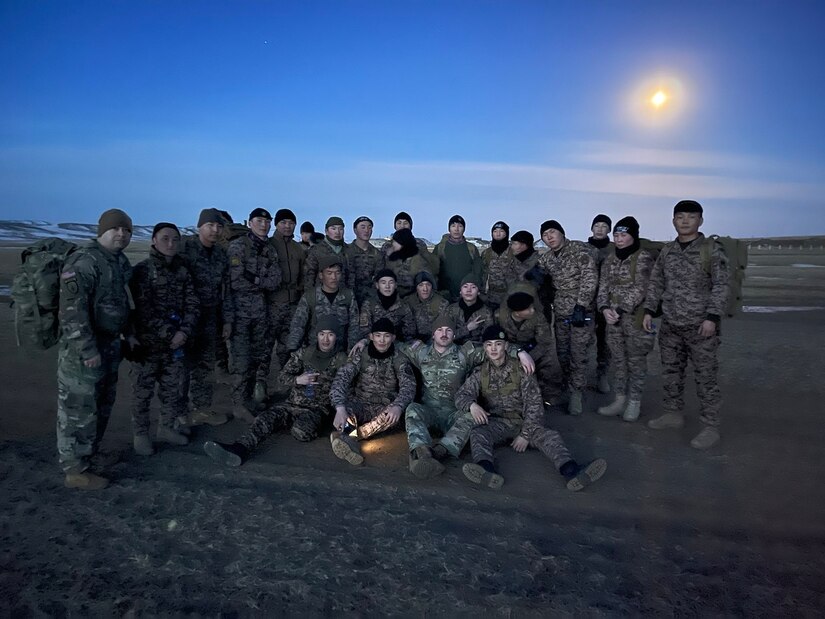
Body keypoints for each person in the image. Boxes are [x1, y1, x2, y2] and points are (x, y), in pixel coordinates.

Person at [456, 325, 607, 491]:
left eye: (498, 344)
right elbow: (461, 395)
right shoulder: (480, 372)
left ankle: (571, 471)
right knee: (478, 433)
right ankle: (486, 470)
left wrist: (525, 435)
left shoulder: (521, 369)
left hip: (525, 421)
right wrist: (472, 405)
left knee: (550, 437)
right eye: (489, 344)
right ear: (484, 347)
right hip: (498, 422)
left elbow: (534, 404)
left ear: (506, 346)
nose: (493, 348)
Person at [398, 315, 536, 479]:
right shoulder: (419, 351)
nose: (444, 333)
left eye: (449, 330)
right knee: (412, 409)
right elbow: (390, 344)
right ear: (433, 335)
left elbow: (494, 348)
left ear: (454, 335)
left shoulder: (466, 353)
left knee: (473, 417)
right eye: (439, 330)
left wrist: (520, 352)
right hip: (429, 411)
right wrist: (364, 342)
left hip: (455, 413)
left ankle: (440, 452)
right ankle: (422, 453)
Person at [203, 317, 349, 466]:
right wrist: (297, 380)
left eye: (330, 334)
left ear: (336, 337)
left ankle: (305, 426)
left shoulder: (341, 359)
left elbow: (345, 386)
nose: (325, 339)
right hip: (291, 405)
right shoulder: (304, 354)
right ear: (316, 335)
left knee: (301, 432)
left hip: (316, 410)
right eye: (322, 334)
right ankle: (239, 448)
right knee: (265, 419)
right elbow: (281, 377)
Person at [643, 200, 730, 450]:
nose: (685, 221)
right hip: (671, 323)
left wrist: (712, 317)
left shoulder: (711, 250)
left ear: (700, 221)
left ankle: (710, 425)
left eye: (691, 217)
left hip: (701, 326)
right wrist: (649, 310)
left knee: (705, 377)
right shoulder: (668, 251)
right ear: (673, 220)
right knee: (671, 372)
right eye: (680, 217)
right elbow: (657, 282)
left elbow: (722, 285)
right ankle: (672, 413)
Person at [56, 209, 134, 489]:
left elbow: (122, 304)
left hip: (110, 345)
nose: (122, 235)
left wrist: (128, 334)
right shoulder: (84, 261)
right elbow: (72, 312)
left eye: (126, 231)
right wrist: (87, 349)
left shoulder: (118, 261)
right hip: (85, 350)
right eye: (116, 229)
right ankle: (75, 469)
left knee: (101, 404)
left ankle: (89, 456)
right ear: (102, 231)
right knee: (79, 407)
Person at [129, 223, 199, 454]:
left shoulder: (182, 272)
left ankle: (166, 427)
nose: (170, 244)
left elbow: (192, 304)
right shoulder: (142, 271)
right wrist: (171, 333)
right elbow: (142, 311)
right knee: (142, 392)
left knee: (172, 390)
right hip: (148, 345)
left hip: (175, 345)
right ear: (153, 241)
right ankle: (141, 434)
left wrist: (184, 332)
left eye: (175, 240)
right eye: (165, 239)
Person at [328, 318, 416, 465]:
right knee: (346, 412)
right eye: (378, 335)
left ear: (393, 338)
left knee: (392, 418)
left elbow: (409, 387)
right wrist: (340, 407)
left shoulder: (399, 358)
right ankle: (349, 437)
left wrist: (398, 406)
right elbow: (341, 379)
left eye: (387, 336)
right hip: (360, 403)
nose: (382, 340)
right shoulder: (360, 355)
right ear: (371, 337)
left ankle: (351, 437)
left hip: (384, 406)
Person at [596, 217, 656, 422]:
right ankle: (619, 399)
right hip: (612, 318)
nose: (619, 239)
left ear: (633, 236)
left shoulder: (643, 258)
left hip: (634, 318)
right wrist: (604, 309)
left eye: (624, 235)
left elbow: (641, 287)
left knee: (636, 361)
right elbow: (602, 286)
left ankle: (634, 402)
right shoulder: (610, 260)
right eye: (616, 235)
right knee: (619, 361)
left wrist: (620, 309)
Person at [177, 208, 232, 428]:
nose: (215, 230)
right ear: (200, 226)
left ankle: (201, 409)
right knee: (181, 368)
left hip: (210, 318)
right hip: (185, 319)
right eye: (210, 225)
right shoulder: (185, 249)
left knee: (205, 366)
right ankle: (178, 413)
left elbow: (225, 290)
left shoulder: (220, 254)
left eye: (218, 226)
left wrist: (227, 320)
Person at [537, 220, 598, 415]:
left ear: (562, 233)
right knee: (562, 352)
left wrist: (582, 304)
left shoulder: (579, 250)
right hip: (561, 311)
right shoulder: (547, 258)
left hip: (581, 311)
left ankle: (576, 394)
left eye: (552, 232)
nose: (549, 237)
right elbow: (539, 273)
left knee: (578, 353)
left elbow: (589, 278)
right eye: (545, 234)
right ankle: (567, 384)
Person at [227, 208, 282, 421]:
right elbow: (235, 280)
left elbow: (275, 280)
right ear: (250, 223)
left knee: (257, 357)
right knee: (241, 359)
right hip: (240, 313)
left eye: (267, 221)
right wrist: (261, 282)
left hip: (260, 312)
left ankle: (249, 400)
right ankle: (238, 404)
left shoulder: (269, 249)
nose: (264, 225)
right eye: (259, 221)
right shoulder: (238, 247)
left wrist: (255, 280)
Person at [258, 208, 306, 389]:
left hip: (292, 305)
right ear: (276, 225)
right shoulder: (267, 246)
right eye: (283, 222)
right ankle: (260, 386)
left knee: (288, 347)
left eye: (291, 223)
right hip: (271, 304)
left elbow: (303, 276)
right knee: (265, 348)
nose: (287, 226)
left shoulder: (298, 249)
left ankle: (286, 385)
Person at [494, 285, 560, 404]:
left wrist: (530, 358)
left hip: (534, 348)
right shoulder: (500, 317)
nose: (532, 310)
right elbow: (494, 339)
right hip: (509, 350)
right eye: (528, 309)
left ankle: (548, 394)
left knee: (549, 361)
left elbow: (544, 342)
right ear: (517, 313)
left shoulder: (538, 318)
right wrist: (516, 355)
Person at [287, 255, 360, 352]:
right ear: (321, 275)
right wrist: (293, 349)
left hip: (339, 353)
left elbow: (354, 326)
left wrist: (351, 352)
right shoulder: (310, 297)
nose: (334, 277)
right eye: (329, 273)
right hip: (314, 352)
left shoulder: (348, 296)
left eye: (337, 273)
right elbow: (298, 325)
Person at [588, 214, 614, 394]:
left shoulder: (614, 249)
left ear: (609, 230)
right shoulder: (584, 249)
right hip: (587, 301)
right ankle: (576, 379)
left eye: (604, 226)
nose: (599, 229)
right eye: (596, 225)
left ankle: (602, 375)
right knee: (582, 341)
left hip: (608, 303)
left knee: (606, 341)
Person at [432, 215, 482, 302]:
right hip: (444, 295)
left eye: (460, 226)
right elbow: (433, 271)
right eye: (453, 226)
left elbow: (477, 272)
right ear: (449, 229)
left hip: (466, 295)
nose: (456, 229)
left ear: (464, 229)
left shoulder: (471, 248)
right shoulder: (440, 248)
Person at [358, 268, 416, 341]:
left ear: (395, 285)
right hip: (375, 344)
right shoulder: (369, 304)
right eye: (383, 282)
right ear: (377, 285)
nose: (387, 286)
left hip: (396, 345)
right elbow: (365, 332)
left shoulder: (403, 305)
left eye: (391, 282)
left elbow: (410, 333)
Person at [381, 227, 434, 298]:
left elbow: (424, 283)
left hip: (413, 299)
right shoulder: (393, 257)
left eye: (396, 241)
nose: (393, 244)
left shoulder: (418, 260)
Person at [443, 274, 492, 344]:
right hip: (453, 348)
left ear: (478, 292)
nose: (469, 290)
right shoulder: (451, 309)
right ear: (460, 291)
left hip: (477, 349)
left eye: (473, 287)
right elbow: (445, 336)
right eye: (465, 286)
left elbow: (488, 338)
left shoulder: (486, 312)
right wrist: (467, 328)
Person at [344, 216, 381, 306]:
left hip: (371, 299)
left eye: (369, 227)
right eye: (363, 227)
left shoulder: (377, 254)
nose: (366, 230)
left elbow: (379, 278)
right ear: (355, 230)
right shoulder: (346, 252)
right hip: (348, 298)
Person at [304, 216, 348, 289]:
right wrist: (310, 296)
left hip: (345, 296)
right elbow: (309, 276)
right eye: (333, 229)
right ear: (326, 231)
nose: (337, 232)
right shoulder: (316, 250)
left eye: (340, 229)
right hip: (322, 296)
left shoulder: (348, 249)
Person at [405, 271, 449, 342]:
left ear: (432, 287)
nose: (425, 289)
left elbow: (443, 329)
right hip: (412, 340)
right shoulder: (408, 302)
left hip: (435, 341)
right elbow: (406, 329)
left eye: (428, 285)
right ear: (416, 287)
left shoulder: (442, 303)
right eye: (421, 285)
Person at [480, 221, 514, 309]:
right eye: (495, 231)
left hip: (511, 297)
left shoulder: (514, 252)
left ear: (506, 233)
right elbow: (482, 275)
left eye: (501, 231)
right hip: (491, 297)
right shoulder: (486, 253)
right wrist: (482, 295)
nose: (498, 234)